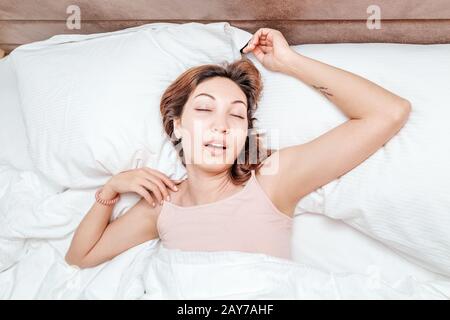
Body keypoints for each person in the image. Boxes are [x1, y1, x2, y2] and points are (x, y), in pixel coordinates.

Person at [65, 28, 411, 269]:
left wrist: (290, 62)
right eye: (203, 109)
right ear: (177, 126)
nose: (221, 125)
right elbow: (81, 256)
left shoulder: (272, 181)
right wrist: (110, 190)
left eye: (236, 115)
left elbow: (387, 113)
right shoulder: (161, 205)